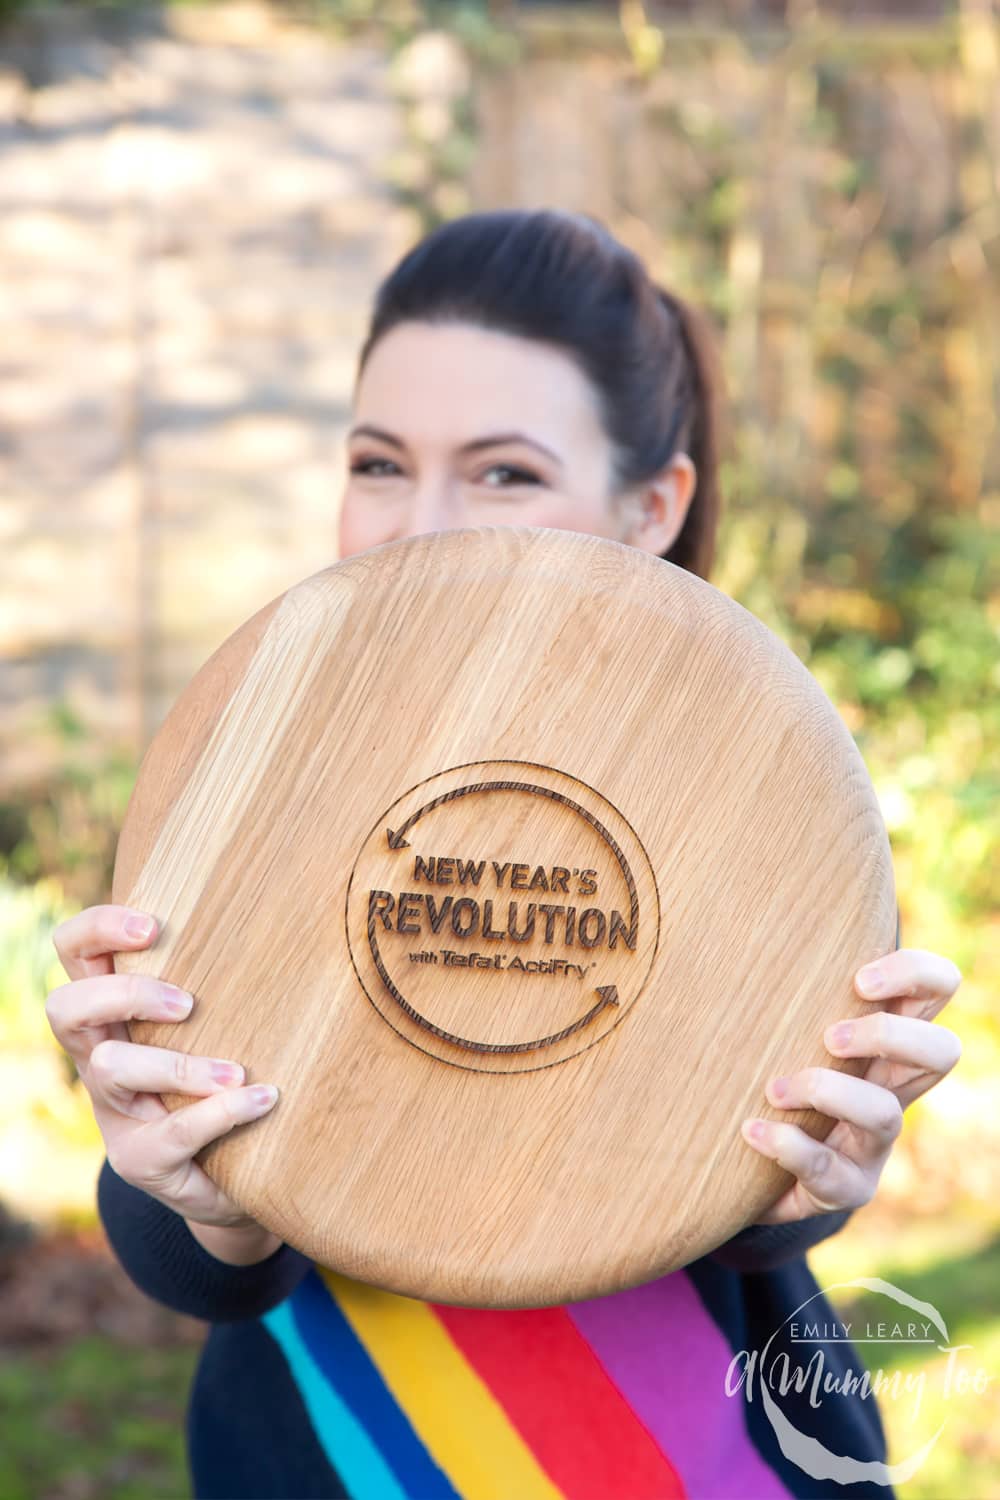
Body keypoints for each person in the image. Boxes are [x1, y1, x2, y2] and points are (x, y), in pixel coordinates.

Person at [47, 209, 963, 1500]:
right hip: (335, 1450)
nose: (422, 524)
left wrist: (810, 1182)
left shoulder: (761, 790)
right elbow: (187, 1246)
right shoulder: (247, 779)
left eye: (505, 473)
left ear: (654, 506)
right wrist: (198, 1189)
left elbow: (785, 1184)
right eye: (377, 463)